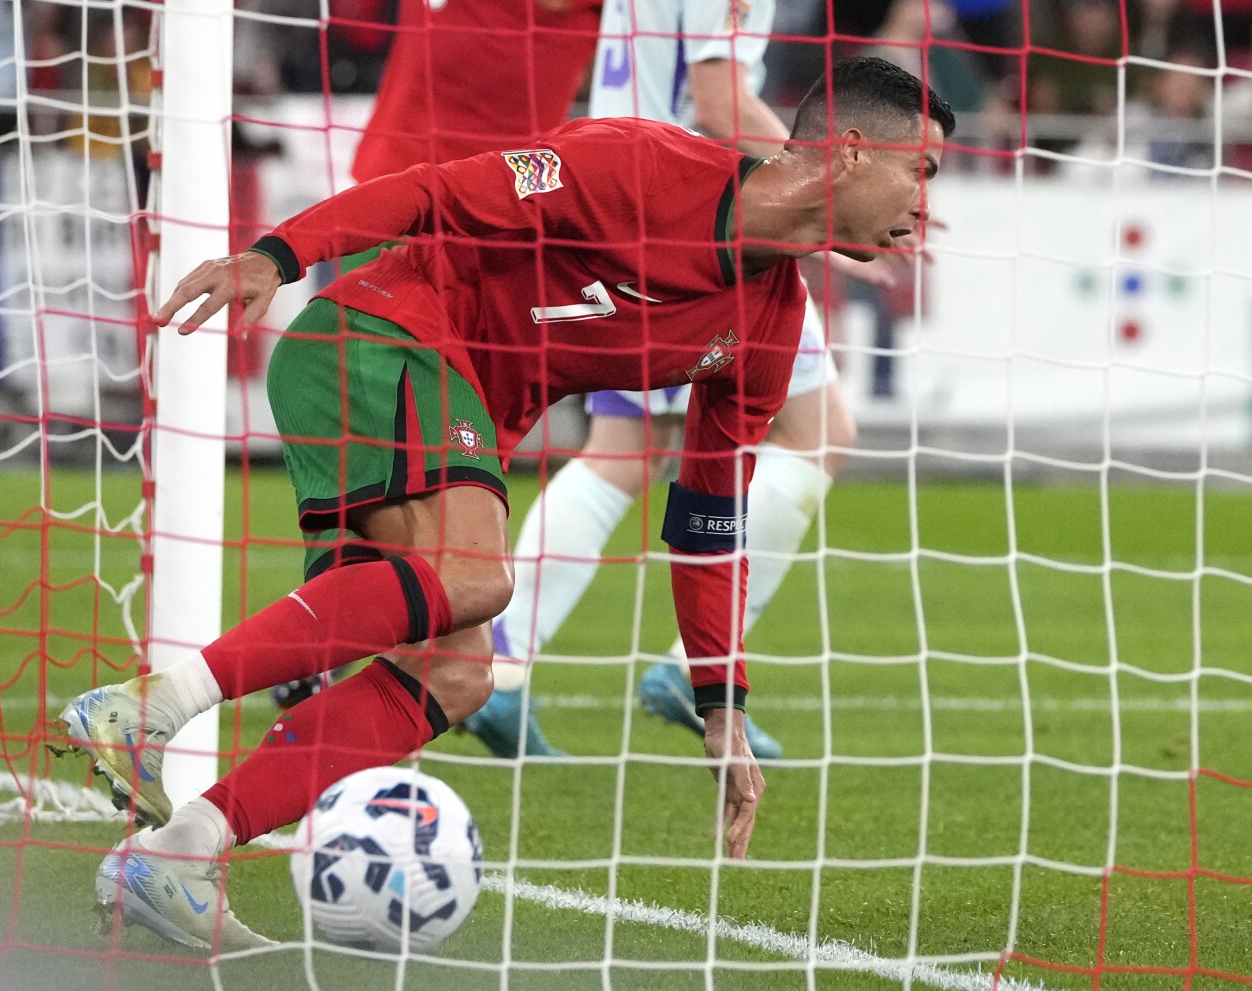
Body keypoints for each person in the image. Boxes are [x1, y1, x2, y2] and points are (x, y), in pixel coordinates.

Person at [50, 57, 951, 950]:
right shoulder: (638, 165)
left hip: (446, 406)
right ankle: (154, 705)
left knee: (456, 672)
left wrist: (721, 702)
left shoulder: (771, 323)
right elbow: (435, 193)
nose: (927, 205)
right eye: (925, 170)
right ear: (853, 152)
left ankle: (180, 849)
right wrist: (277, 257)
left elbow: (711, 518)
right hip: (376, 337)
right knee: (476, 579)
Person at [468, 0, 863, 762]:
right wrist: (838, 192)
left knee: (625, 446)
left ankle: (503, 667)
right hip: (705, 224)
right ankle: (693, 667)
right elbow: (720, 104)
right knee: (817, 435)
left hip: (629, 208)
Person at [265, 0, 604, 709]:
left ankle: (333, 635)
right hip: (445, 225)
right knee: (419, 476)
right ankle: (334, 640)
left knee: (414, 470)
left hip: (463, 215)